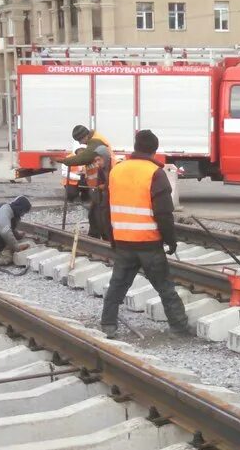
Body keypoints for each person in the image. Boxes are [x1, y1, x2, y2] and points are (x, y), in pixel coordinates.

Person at [99, 129, 190, 338]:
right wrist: (171, 241)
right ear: (154, 150)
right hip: (149, 244)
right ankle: (179, 327)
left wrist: (112, 238)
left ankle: (108, 325)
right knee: (165, 288)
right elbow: (164, 213)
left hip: (123, 242)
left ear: (135, 146)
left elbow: (105, 208)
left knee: (117, 286)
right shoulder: (155, 173)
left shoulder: (117, 171)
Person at [60, 125, 112, 239]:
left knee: (101, 213)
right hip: (96, 184)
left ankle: (105, 237)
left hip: (103, 184)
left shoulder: (96, 144)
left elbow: (84, 158)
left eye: (80, 141)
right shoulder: (93, 145)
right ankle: (95, 236)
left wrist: (104, 186)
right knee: (94, 213)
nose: (81, 144)